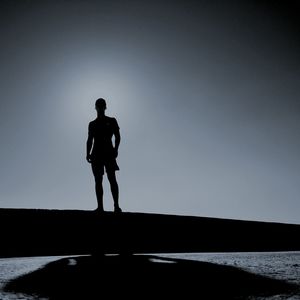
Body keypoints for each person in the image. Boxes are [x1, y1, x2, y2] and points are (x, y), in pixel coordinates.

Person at [86, 98, 122, 213]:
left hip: (108, 152)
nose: (101, 108)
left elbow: (117, 136)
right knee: (98, 180)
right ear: (96, 107)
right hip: (96, 154)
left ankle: (116, 206)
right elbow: (89, 140)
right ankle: (100, 207)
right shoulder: (92, 124)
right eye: (99, 106)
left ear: (105, 107)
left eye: (102, 106)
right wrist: (87, 153)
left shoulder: (112, 121)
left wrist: (116, 149)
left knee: (112, 179)